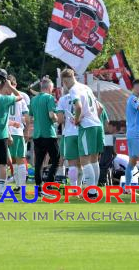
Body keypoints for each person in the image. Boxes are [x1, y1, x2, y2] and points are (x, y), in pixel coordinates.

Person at [60, 69, 103, 199]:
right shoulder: (86, 87)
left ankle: (91, 192)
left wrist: (77, 119)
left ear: (65, 80)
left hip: (86, 126)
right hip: (97, 124)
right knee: (94, 159)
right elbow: (100, 107)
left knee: (84, 160)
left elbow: (78, 107)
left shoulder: (73, 90)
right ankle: (94, 189)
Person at [29, 77, 60, 196]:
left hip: (37, 135)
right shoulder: (49, 98)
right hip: (49, 133)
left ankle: (38, 189)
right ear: (49, 88)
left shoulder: (34, 99)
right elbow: (52, 114)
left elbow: (30, 118)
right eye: (52, 88)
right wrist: (57, 119)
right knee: (56, 160)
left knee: (39, 163)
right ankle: (48, 187)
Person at [6, 75, 30, 192]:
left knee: (14, 160)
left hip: (6, 132)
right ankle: (21, 186)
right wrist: (27, 130)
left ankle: (19, 185)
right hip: (17, 131)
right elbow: (26, 115)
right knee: (20, 159)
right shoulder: (20, 97)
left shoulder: (3, 96)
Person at [56, 88, 79, 187]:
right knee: (85, 162)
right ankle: (85, 188)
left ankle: (74, 189)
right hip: (82, 131)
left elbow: (60, 120)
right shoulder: (82, 95)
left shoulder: (63, 99)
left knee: (71, 163)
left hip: (69, 133)